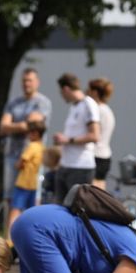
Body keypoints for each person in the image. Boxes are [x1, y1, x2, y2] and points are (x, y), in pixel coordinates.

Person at [0, 68, 52, 207]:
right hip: (12, 155)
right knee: (10, 196)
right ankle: (10, 228)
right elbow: (3, 127)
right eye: (24, 80)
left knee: (32, 196)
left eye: (30, 80)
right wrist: (22, 125)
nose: (26, 84)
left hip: (32, 158)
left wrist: (15, 125)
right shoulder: (14, 102)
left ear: (37, 82)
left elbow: (32, 125)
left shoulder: (42, 102)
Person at [52, 73, 100, 203]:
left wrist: (68, 140)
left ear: (66, 89)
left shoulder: (88, 104)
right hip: (66, 164)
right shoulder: (74, 106)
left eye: (61, 92)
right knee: (60, 208)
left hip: (80, 167)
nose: (62, 96)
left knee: (77, 209)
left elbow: (95, 135)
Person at [7, 118, 45, 237]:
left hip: (23, 183)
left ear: (36, 133)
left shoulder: (32, 146)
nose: (28, 135)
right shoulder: (41, 147)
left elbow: (22, 161)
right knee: (30, 211)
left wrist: (17, 165)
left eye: (30, 132)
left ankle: (10, 237)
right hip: (33, 184)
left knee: (15, 209)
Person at [87, 78, 115, 189]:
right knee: (100, 190)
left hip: (95, 155)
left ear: (94, 92)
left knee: (91, 191)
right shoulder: (108, 110)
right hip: (105, 155)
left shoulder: (97, 110)